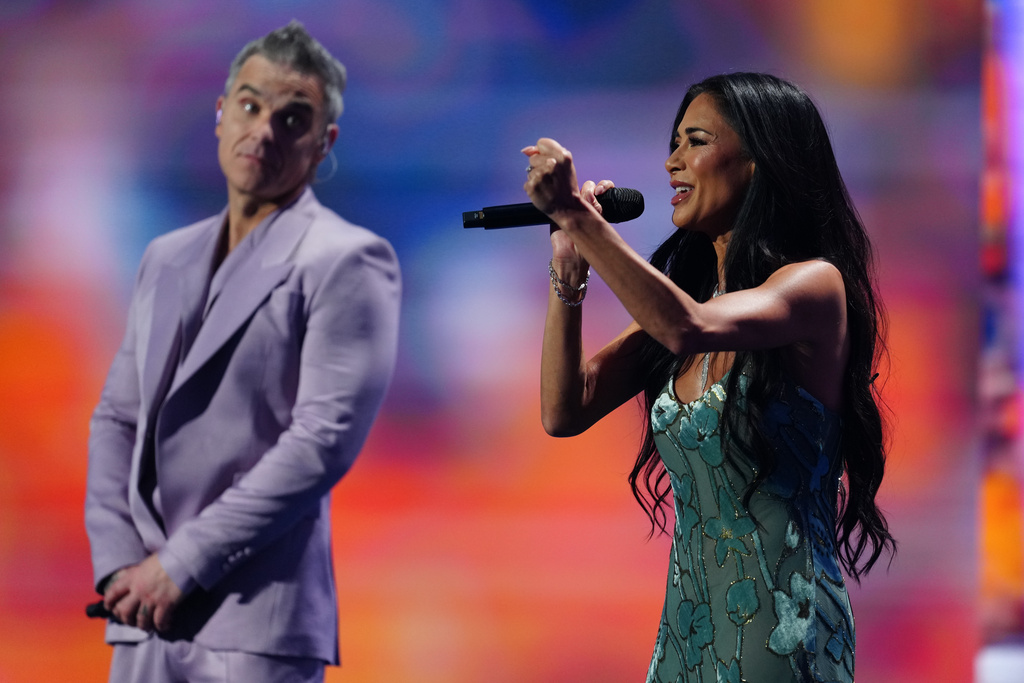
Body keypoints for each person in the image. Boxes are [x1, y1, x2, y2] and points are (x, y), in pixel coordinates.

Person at [523, 72, 895, 682]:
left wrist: (582, 218)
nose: (672, 161)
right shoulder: (694, 306)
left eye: (694, 141)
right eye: (672, 143)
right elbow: (565, 409)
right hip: (686, 635)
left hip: (781, 633)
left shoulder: (812, 286)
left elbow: (685, 326)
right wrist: (570, 270)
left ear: (758, 163)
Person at [84, 21, 401, 683]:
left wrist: (181, 563)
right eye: (251, 106)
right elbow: (118, 418)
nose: (264, 130)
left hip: (255, 622)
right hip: (143, 614)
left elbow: (321, 440)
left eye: (293, 118)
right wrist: (118, 563)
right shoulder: (165, 257)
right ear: (222, 111)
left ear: (323, 144)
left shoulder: (347, 260)